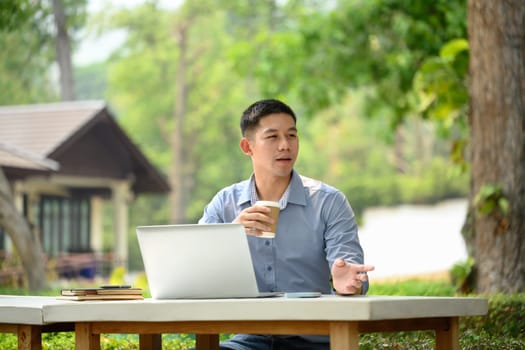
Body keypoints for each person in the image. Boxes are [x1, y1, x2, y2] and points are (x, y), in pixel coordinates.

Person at [199, 98, 374, 350]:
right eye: (273, 137)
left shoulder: (328, 202)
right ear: (247, 147)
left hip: (315, 340)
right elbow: (197, 271)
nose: (285, 145)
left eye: (292, 135)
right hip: (250, 341)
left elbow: (350, 273)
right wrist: (229, 236)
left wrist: (348, 284)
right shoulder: (224, 203)